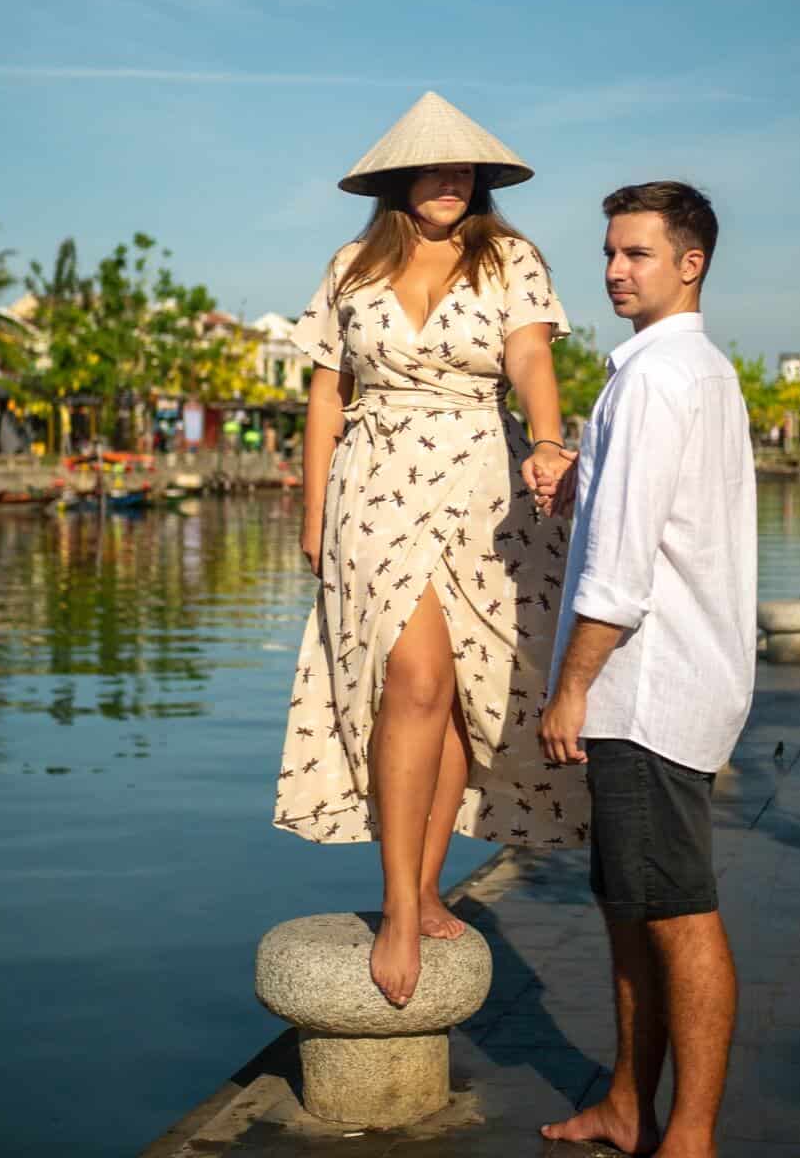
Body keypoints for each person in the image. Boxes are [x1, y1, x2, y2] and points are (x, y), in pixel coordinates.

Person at [274, 91, 587, 1008]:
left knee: (459, 688)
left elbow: (531, 358)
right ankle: (397, 910)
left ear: (479, 179)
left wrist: (545, 437)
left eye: (464, 169)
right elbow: (326, 395)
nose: (450, 181)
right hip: (371, 486)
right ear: (399, 178)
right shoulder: (350, 266)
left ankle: (422, 883)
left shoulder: (511, 259)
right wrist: (311, 504)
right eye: (433, 167)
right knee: (409, 678)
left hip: (483, 484)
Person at [538, 181, 757, 1158]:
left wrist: (571, 686)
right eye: (610, 252)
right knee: (632, 907)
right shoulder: (692, 371)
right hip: (665, 682)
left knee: (678, 914)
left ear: (690, 262)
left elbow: (620, 575)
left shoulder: (658, 378)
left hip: (647, 691)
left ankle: (692, 1135)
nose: (614, 269)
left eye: (635, 253)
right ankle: (630, 1107)